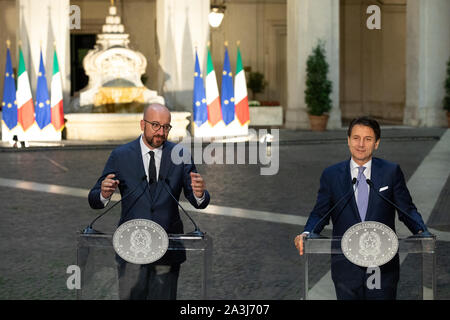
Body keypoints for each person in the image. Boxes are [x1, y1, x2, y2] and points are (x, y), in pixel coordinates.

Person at [294, 116, 430, 300]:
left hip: (383, 265)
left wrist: (422, 231)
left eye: (368, 139)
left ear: (377, 143)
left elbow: (407, 210)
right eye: (356, 138)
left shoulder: (391, 172)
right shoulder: (331, 175)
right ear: (348, 140)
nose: (361, 144)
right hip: (345, 265)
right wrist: (307, 232)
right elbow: (320, 213)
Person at [88, 103, 210, 300]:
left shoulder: (181, 155)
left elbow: (198, 200)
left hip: (168, 251)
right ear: (142, 124)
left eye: (166, 127)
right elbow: (94, 199)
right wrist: (103, 193)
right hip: (131, 249)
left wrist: (199, 193)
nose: (161, 132)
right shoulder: (120, 156)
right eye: (155, 125)